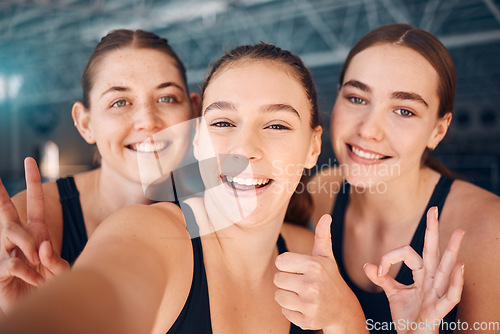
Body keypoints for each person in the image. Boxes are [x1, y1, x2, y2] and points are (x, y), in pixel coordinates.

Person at [0, 42, 463, 334]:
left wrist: (350, 324)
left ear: (312, 146)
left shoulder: (315, 263)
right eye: (223, 122)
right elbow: (106, 290)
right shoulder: (151, 233)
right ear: (199, 139)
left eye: (277, 125)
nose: (245, 147)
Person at [307, 23, 500, 333]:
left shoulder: (489, 232)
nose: (369, 130)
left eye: (404, 111)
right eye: (357, 98)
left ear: (439, 130)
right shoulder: (321, 195)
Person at [0, 29, 200, 314]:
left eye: (167, 98)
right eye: (120, 102)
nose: (147, 121)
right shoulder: (32, 228)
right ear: (85, 123)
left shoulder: (220, 206)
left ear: (193, 112)